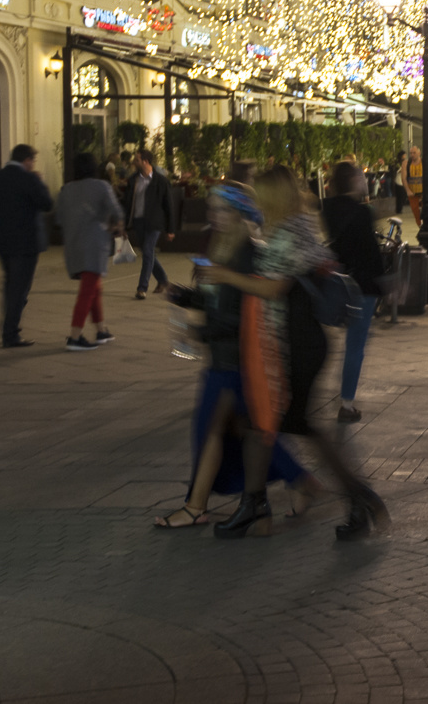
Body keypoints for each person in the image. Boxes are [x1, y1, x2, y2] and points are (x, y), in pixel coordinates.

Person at [199, 167, 388, 540]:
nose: (254, 201)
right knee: (266, 424)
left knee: (279, 424)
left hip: (295, 344)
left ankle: (355, 499)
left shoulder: (287, 234)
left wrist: (224, 276)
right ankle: (261, 508)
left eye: (259, 195)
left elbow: (272, 289)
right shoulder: (296, 226)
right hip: (298, 340)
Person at [153, 182, 314, 530]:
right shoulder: (224, 246)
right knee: (243, 431)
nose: (215, 216)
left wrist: (203, 333)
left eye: (223, 210)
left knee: (214, 430)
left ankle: (198, 506)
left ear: (243, 214)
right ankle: (299, 481)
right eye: (212, 209)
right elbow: (215, 300)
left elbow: (245, 315)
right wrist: (184, 297)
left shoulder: (249, 253)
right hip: (225, 358)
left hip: (238, 360)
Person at [322, 162, 382, 424]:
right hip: (362, 285)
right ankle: (346, 403)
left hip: (337, 282)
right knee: (355, 346)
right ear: (353, 180)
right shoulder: (362, 212)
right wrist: (386, 282)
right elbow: (371, 252)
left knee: (344, 342)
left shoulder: (327, 208)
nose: (364, 179)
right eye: (361, 176)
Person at [0, 144, 55, 348]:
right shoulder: (30, 179)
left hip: (1, 241)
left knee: (10, 283)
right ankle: (10, 332)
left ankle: (9, 324)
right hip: (26, 243)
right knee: (19, 288)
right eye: (33, 161)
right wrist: (40, 183)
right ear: (27, 160)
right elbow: (47, 204)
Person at [55, 153, 124, 351]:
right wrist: (114, 227)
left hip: (73, 244)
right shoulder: (102, 186)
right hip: (95, 245)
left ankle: (101, 329)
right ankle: (75, 336)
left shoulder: (66, 189)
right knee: (87, 291)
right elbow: (117, 211)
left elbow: (59, 218)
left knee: (94, 287)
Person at [124, 149, 177, 300]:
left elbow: (169, 206)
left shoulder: (160, 181)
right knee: (148, 253)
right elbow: (127, 203)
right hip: (138, 221)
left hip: (154, 223)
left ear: (145, 162)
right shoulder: (134, 180)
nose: (134, 162)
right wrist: (125, 222)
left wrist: (170, 229)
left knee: (147, 251)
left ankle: (142, 288)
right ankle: (163, 280)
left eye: (137, 160)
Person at [405, 147, 425, 219]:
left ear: (419, 153)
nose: (412, 155)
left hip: (423, 191)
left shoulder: (424, 162)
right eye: (411, 153)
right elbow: (405, 178)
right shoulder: (408, 163)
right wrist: (408, 190)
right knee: (416, 211)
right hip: (413, 191)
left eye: (414, 153)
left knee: (424, 209)